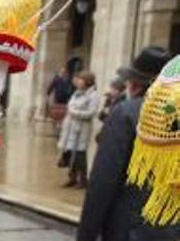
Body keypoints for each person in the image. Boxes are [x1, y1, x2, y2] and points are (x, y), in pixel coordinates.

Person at [77, 46, 180, 241]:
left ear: (135, 84)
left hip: (130, 229)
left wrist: (86, 235)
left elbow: (103, 181)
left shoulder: (126, 114)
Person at [58, 70, 99, 188]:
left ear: (87, 81)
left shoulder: (93, 95)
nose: (78, 81)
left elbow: (91, 112)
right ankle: (72, 177)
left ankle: (83, 180)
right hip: (71, 127)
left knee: (80, 154)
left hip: (82, 129)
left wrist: (75, 113)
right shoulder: (77, 92)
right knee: (71, 153)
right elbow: (70, 104)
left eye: (80, 79)